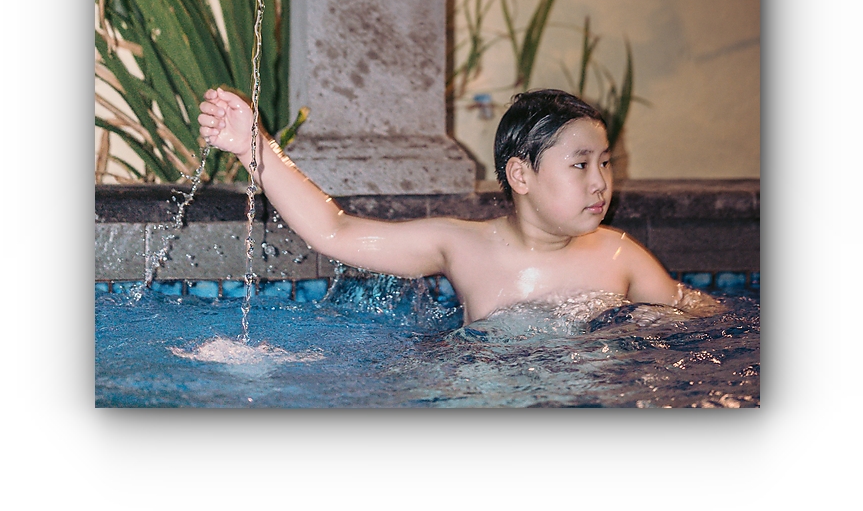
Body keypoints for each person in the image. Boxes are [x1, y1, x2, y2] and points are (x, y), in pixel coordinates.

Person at [198, 86, 713, 324]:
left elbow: (700, 317)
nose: (600, 182)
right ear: (521, 175)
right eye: (580, 165)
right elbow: (335, 231)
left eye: (605, 163)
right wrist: (254, 147)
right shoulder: (462, 246)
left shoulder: (619, 256)